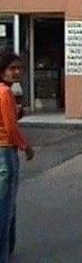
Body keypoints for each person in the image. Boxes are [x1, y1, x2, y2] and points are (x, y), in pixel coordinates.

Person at [0, 52, 34, 262]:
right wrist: (26, 146)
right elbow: (11, 129)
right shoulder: (5, 93)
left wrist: (17, 112)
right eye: (12, 68)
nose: (17, 72)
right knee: (5, 205)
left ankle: (9, 248)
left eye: (19, 68)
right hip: (6, 151)